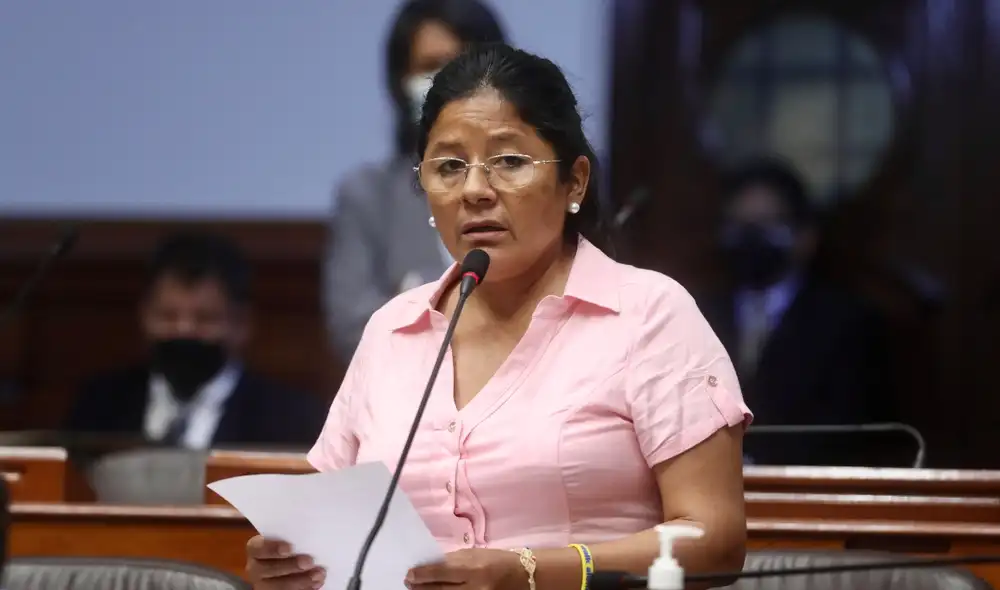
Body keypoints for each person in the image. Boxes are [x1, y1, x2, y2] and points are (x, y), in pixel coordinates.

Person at [246, 44, 750, 590]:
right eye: (448, 167)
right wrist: (292, 565)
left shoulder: (649, 315)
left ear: (574, 181)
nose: (475, 191)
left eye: (509, 161)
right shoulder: (392, 331)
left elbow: (714, 537)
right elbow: (328, 527)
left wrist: (529, 570)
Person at [324, 0, 507, 363]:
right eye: (430, 67)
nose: (449, 81)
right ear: (401, 82)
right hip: (408, 401)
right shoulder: (368, 195)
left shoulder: (535, 185)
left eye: (462, 63)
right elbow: (353, 329)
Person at [698, 158, 889, 466]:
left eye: (766, 225)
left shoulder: (848, 323)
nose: (751, 239)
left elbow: (851, 430)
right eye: (739, 225)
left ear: (805, 237)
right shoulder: (695, 312)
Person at [64, 231, 326, 449]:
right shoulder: (100, 405)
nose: (184, 331)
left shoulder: (290, 417)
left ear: (241, 324)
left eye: (205, 319)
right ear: (145, 316)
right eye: (168, 317)